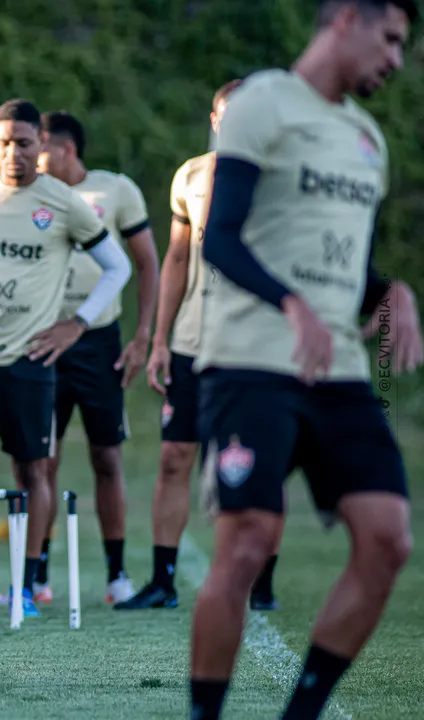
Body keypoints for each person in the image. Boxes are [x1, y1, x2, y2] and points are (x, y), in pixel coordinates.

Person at [186, 2, 421, 718]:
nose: (397, 60)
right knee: (249, 543)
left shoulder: (366, 138)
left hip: (338, 368)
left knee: (388, 539)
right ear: (346, 18)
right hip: (250, 361)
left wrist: (393, 293)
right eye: (391, 40)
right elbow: (220, 238)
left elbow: (350, 264)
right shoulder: (263, 103)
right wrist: (290, 304)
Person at [0, 99, 132, 619]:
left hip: (29, 360)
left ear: (40, 145)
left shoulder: (63, 203)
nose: (13, 152)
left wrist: (78, 323)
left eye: (24, 143)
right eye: (4, 143)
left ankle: (25, 582)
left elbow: (118, 267)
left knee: (33, 470)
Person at [115, 80, 285, 612]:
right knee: (173, 458)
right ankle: (163, 580)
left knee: (255, 463)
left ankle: (262, 583)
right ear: (214, 119)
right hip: (191, 343)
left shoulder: (279, 180)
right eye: (226, 115)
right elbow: (177, 260)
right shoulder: (190, 175)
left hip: (249, 346)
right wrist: (161, 338)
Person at [36, 111, 160, 606]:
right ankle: (37, 575)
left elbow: (147, 262)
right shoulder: (31, 195)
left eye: (38, 146)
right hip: (43, 338)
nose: (29, 157)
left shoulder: (115, 191)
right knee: (41, 457)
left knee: (107, 456)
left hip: (98, 341)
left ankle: (116, 575)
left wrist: (142, 336)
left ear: (65, 149)